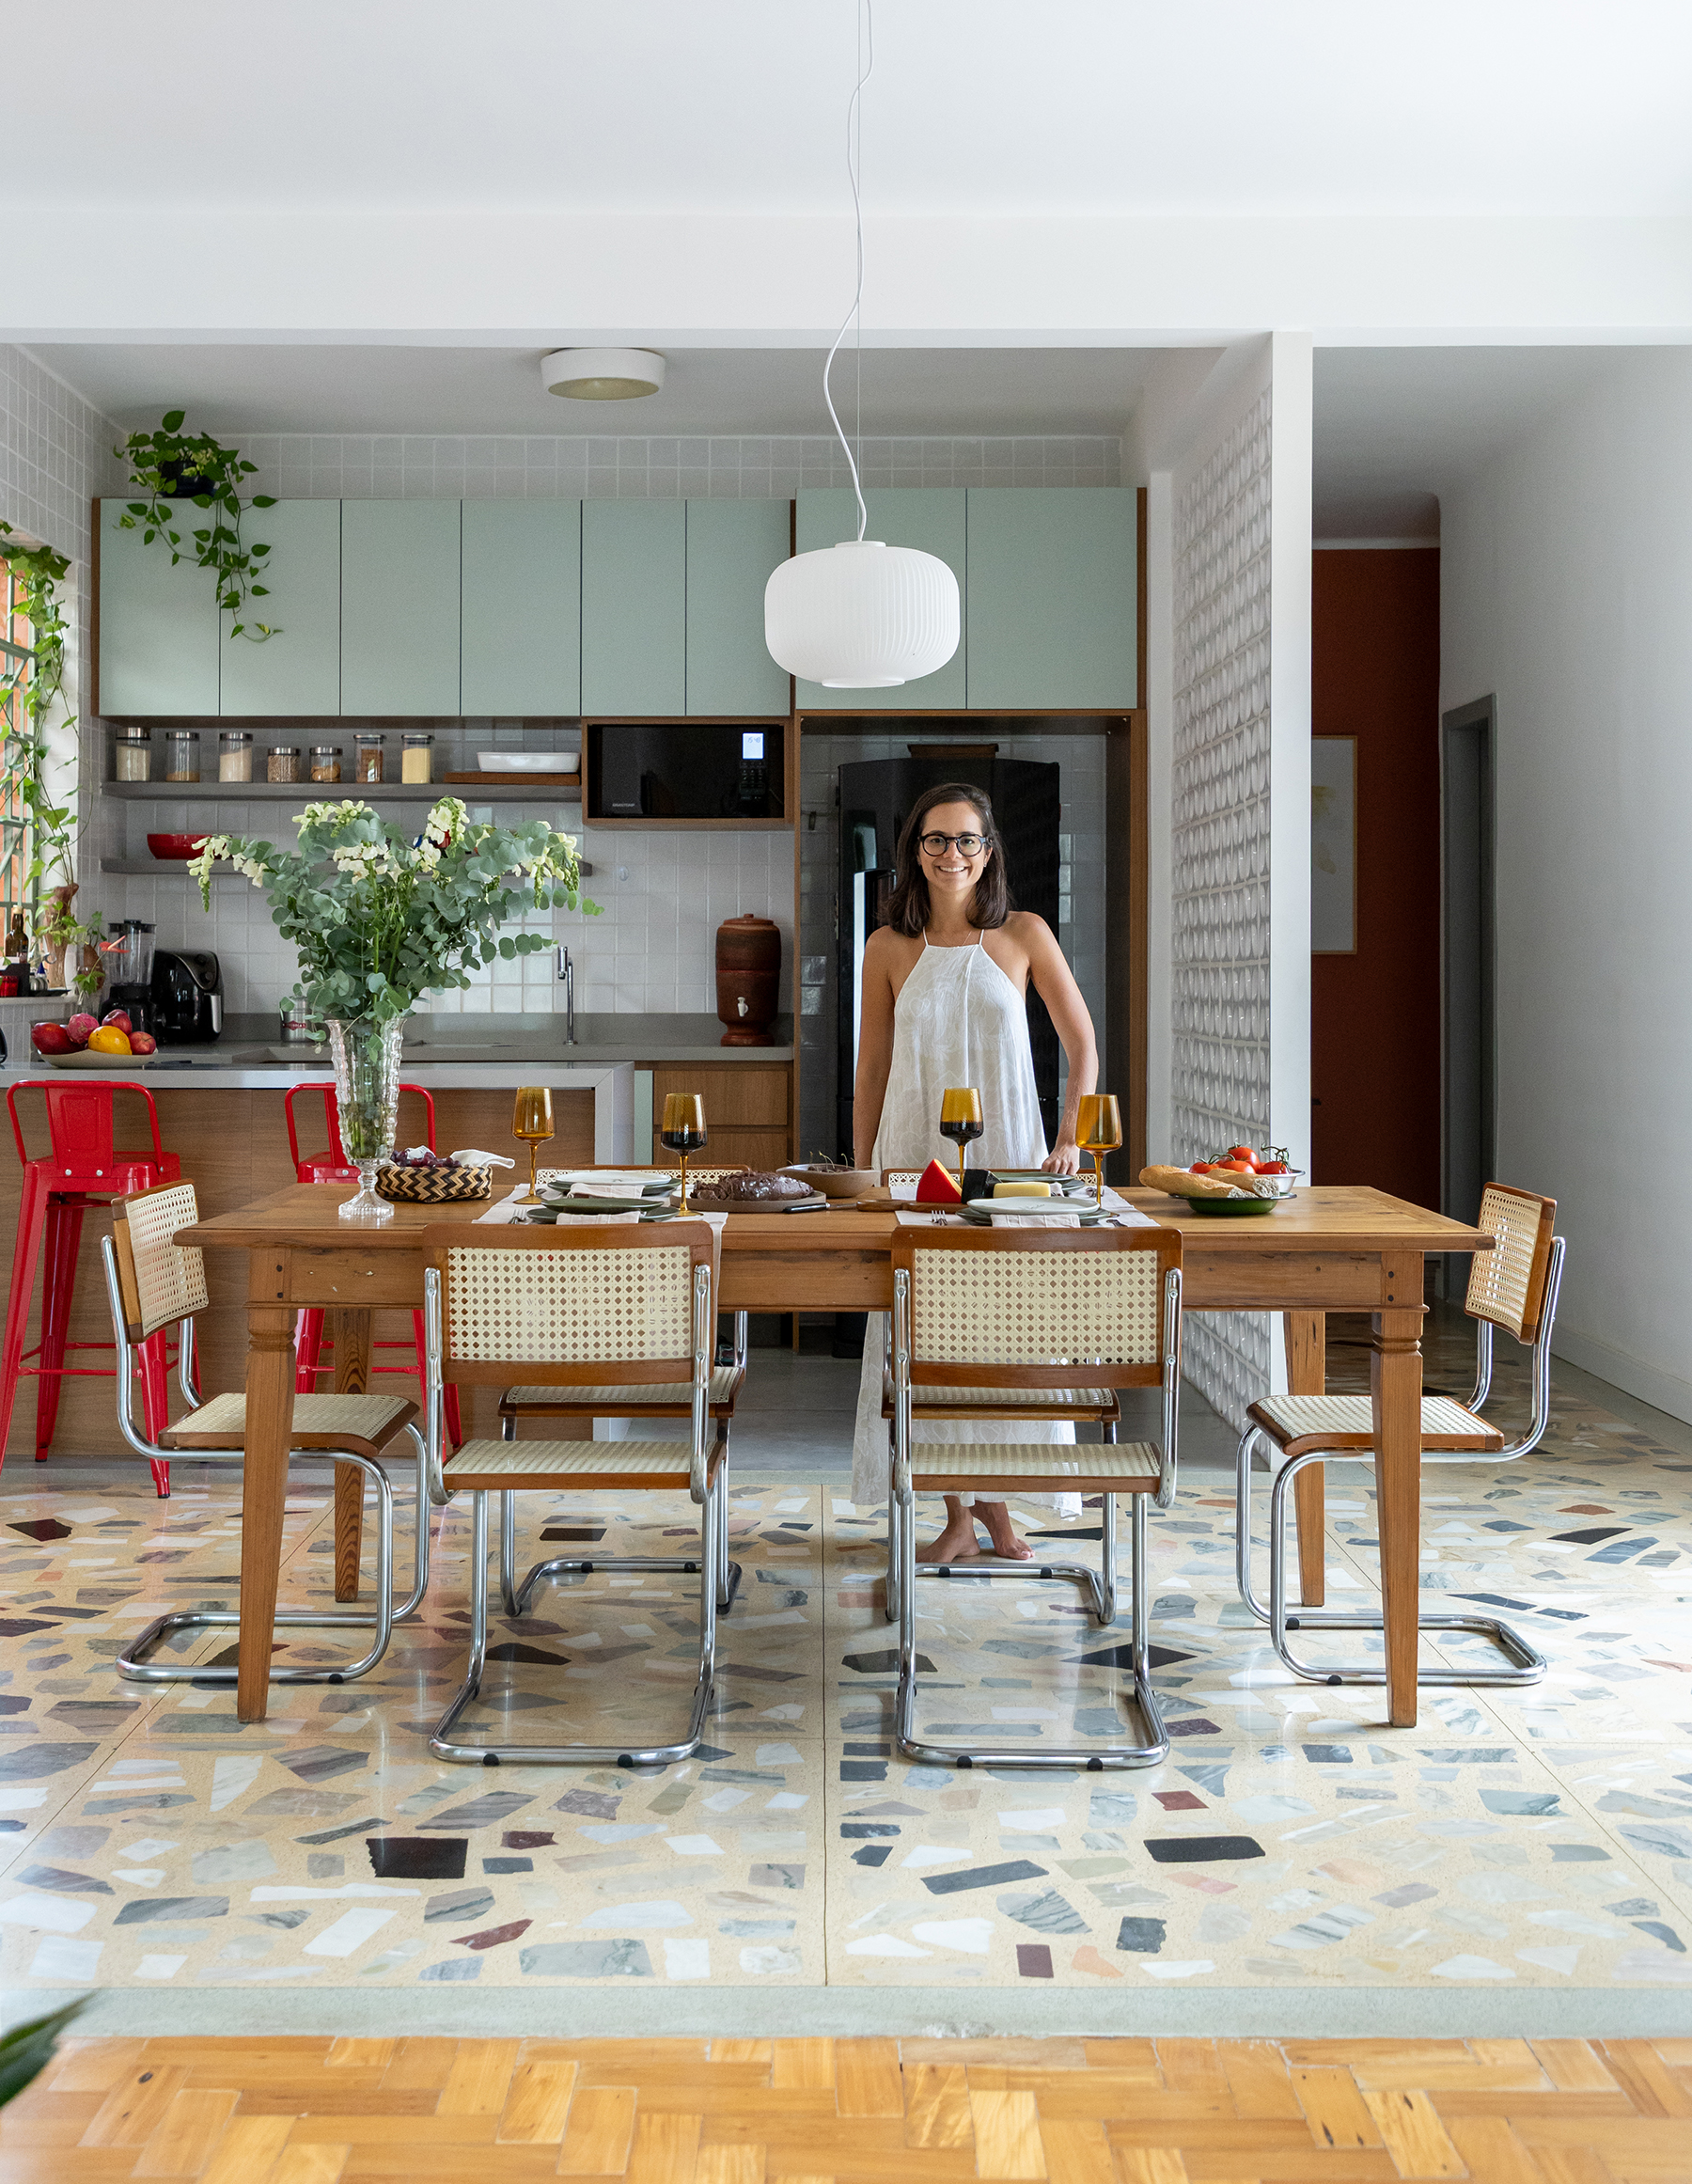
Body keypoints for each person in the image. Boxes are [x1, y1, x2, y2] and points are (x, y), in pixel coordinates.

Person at [850, 781, 1101, 1562]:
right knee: (925, 1329)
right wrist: (864, 1171)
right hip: (916, 1156)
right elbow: (872, 1069)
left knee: (1008, 1328)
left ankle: (997, 1501)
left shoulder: (1024, 934)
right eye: (935, 840)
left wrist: (1070, 1135)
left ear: (987, 852)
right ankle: (960, 1510)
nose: (951, 854)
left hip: (1012, 1161)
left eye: (966, 840)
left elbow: (1082, 1041)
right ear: (914, 852)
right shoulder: (888, 947)